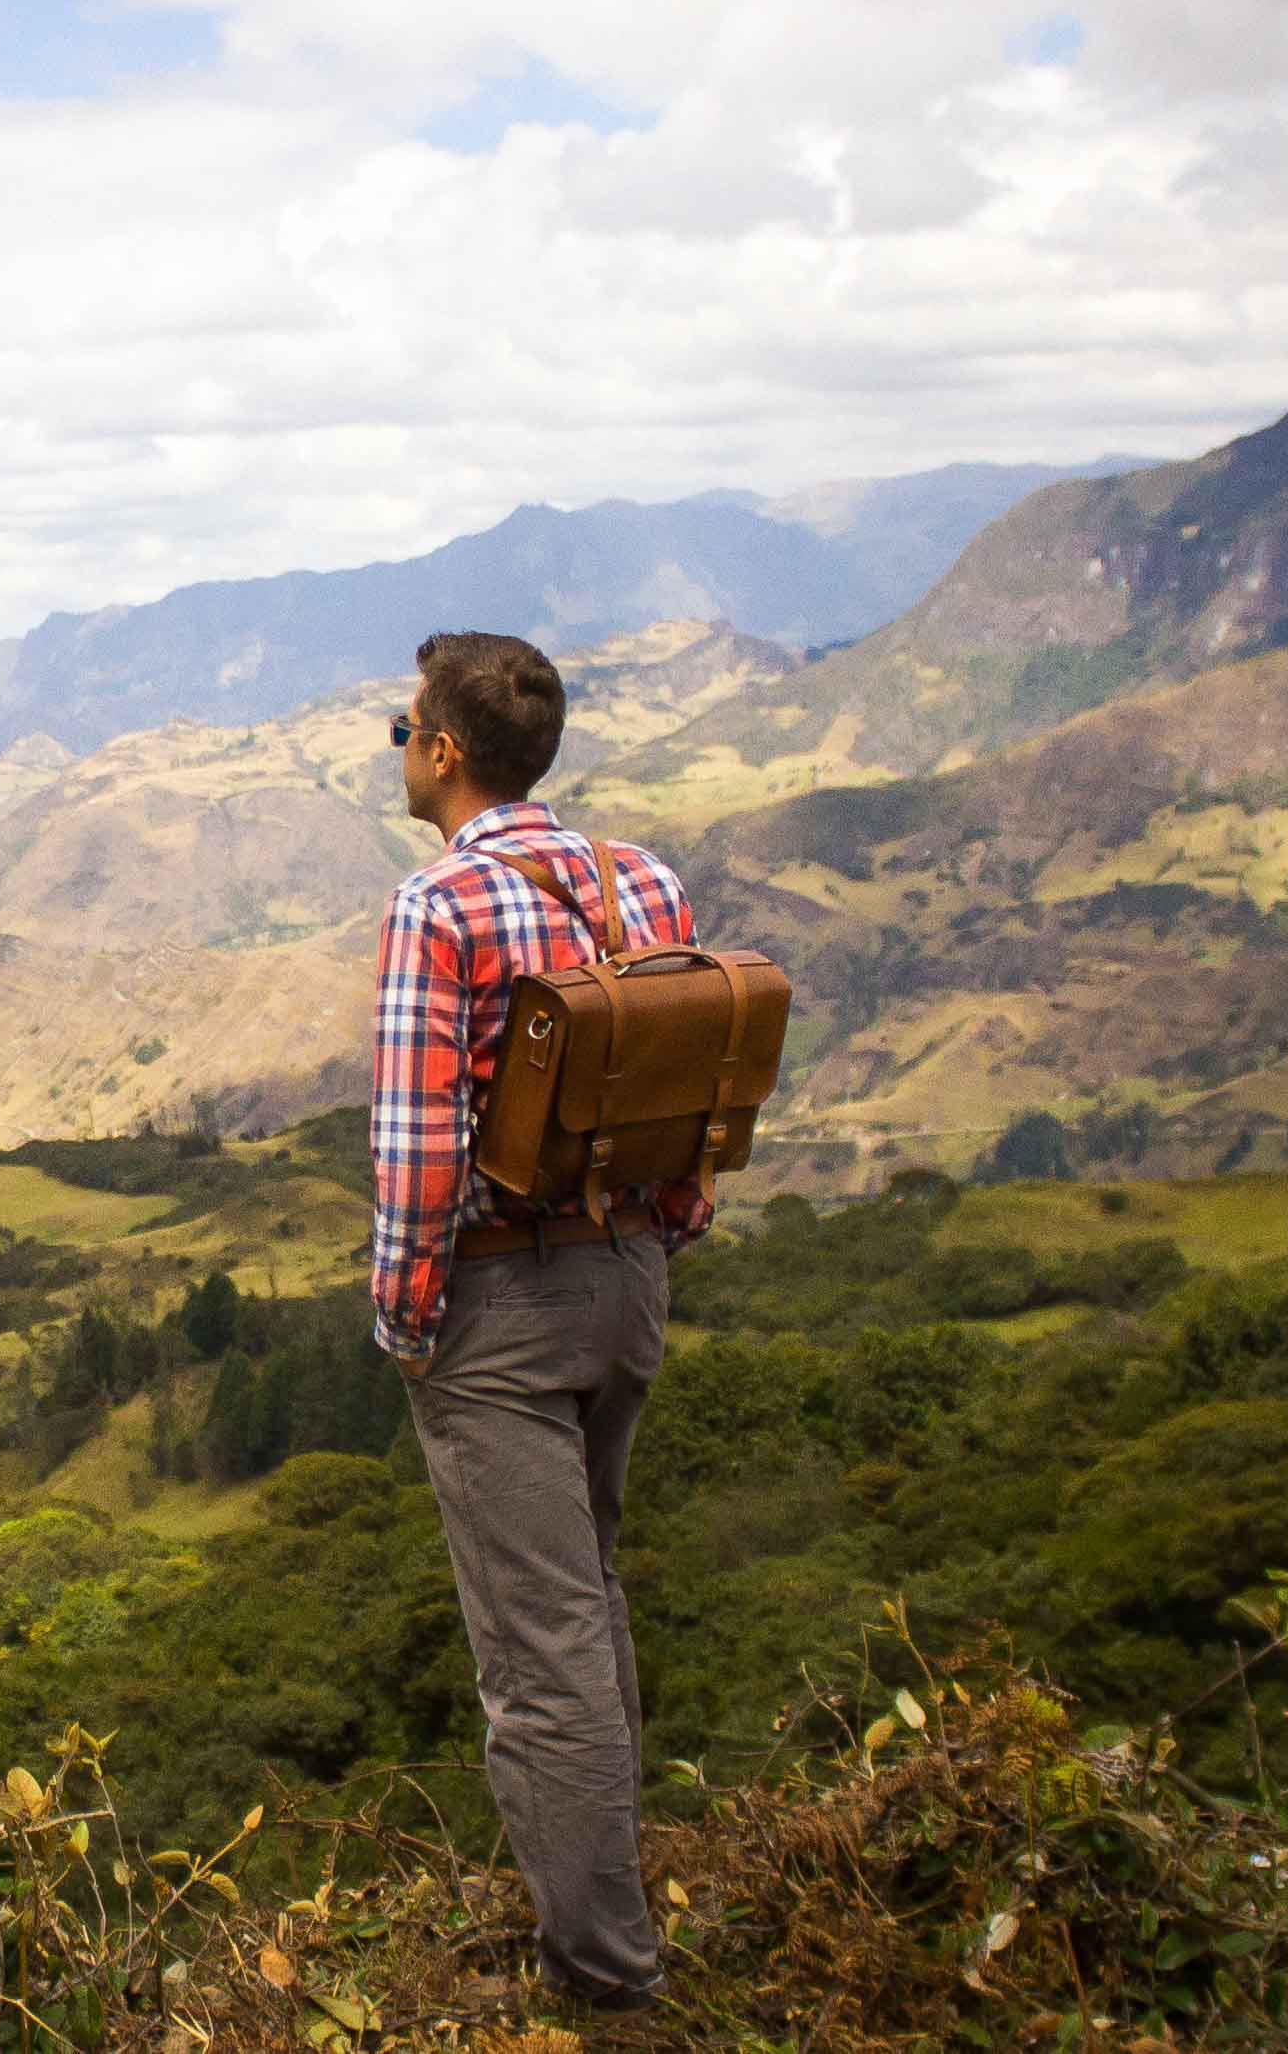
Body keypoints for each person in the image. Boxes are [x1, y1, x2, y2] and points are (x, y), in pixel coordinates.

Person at [369, 630, 707, 2013]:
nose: (395, 748)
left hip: (504, 1306)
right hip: (630, 1279)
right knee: (590, 1611)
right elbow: (696, 1072)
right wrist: (661, 1233)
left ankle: (610, 1988)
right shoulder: (646, 882)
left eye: (403, 728)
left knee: (538, 1657)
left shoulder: (439, 905)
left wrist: (409, 1320)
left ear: (445, 752)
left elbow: (419, 1147)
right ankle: (611, 1906)